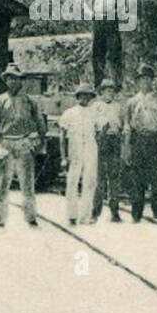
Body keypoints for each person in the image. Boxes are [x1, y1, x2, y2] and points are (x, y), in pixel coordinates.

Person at [0, 65, 48, 228]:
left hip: (24, 143)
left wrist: (40, 142)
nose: (13, 81)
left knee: (27, 183)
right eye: (9, 78)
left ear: (21, 81)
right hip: (5, 142)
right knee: (2, 183)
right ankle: (0, 217)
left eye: (16, 78)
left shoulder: (31, 101)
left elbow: (40, 123)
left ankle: (30, 217)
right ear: (5, 81)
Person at [123, 64, 157, 222]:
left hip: (155, 140)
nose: (145, 82)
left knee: (156, 179)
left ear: (152, 80)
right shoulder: (132, 101)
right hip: (138, 141)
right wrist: (127, 148)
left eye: (148, 79)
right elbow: (127, 126)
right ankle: (136, 214)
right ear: (138, 82)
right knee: (137, 180)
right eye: (142, 79)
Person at [59, 83, 100, 225]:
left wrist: (96, 141)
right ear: (78, 97)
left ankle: (85, 215)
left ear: (90, 98)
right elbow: (62, 136)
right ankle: (71, 214)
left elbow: (102, 128)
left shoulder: (94, 112)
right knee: (72, 181)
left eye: (87, 96)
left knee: (90, 180)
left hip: (90, 148)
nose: (84, 98)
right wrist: (63, 157)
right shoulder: (69, 113)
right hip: (75, 149)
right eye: (82, 95)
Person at [91, 78, 125, 222]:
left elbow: (122, 124)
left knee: (114, 177)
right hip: (101, 140)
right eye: (107, 91)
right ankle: (95, 211)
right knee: (100, 178)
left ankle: (114, 211)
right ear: (102, 92)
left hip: (114, 139)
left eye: (112, 91)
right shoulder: (96, 106)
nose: (110, 93)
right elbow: (92, 125)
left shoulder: (118, 107)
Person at [89, 0, 125, 88]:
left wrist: (118, 11)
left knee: (114, 50)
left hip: (111, 19)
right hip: (98, 19)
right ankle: (98, 83)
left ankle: (117, 83)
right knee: (98, 52)